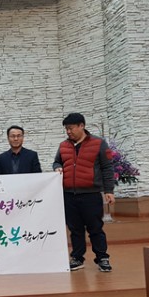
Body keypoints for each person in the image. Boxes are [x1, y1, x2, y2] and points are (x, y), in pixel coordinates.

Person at [53, 113, 115, 272]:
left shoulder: (98, 143)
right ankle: (77, 258)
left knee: (95, 228)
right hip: (69, 194)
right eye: (66, 129)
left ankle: (102, 258)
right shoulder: (63, 146)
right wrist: (57, 167)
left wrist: (109, 190)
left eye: (71, 128)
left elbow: (107, 168)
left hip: (91, 194)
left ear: (82, 126)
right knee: (75, 229)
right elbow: (57, 161)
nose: (68, 132)